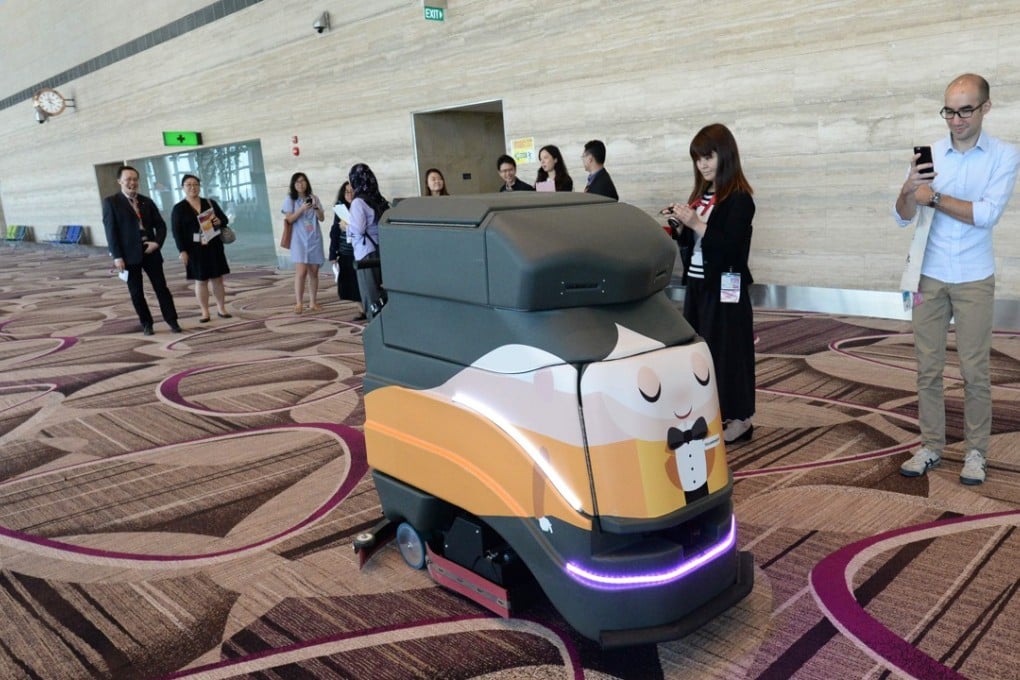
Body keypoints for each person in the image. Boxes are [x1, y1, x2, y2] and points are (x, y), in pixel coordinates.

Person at [894, 73, 1020, 485]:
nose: (957, 119)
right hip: (927, 275)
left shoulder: (1004, 155)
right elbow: (902, 216)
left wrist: (935, 198)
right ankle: (931, 445)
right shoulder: (931, 153)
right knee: (927, 368)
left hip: (973, 277)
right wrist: (908, 189)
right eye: (950, 110)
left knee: (974, 371)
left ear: (985, 107)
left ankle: (976, 452)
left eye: (966, 109)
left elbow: (985, 214)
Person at [667, 123, 756, 444]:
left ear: (726, 155)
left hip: (727, 289)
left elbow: (731, 247)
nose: (702, 164)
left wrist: (697, 224)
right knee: (700, 353)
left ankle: (740, 418)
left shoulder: (740, 199)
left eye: (708, 156)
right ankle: (709, 411)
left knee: (729, 353)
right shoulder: (701, 196)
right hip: (699, 286)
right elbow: (695, 244)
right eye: (697, 159)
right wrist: (682, 227)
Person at [102, 165, 182, 335]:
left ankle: (172, 321)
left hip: (150, 251)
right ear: (120, 182)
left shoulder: (147, 201)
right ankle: (147, 323)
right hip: (129, 255)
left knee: (161, 288)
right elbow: (111, 232)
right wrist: (117, 256)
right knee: (136, 292)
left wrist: (157, 243)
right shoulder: (112, 202)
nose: (132, 182)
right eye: (128, 179)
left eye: (135, 179)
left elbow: (160, 226)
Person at [171, 174, 231, 323]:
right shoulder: (178, 208)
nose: (192, 187)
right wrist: (182, 251)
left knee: (217, 279)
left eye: (195, 184)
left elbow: (224, 219)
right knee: (200, 280)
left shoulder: (210, 203)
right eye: (188, 185)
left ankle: (221, 308)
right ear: (183, 188)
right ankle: (205, 312)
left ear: (199, 186)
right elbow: (176, 232)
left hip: (213, 246)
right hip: (194, 249)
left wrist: (219, 220)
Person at [347, 163, 390, 318]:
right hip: (380, 249)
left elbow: (358, 229)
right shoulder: (377, 198)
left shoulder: (358, 202)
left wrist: (347, 225)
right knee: (383, 293)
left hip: (366, 253)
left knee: (371, 294)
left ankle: (376, 326)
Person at [281, 172, 326, 314]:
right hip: (299, 240)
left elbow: (322, 218)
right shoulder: (290, 200)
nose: (301, 184)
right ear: (294, 185)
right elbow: (289, 219)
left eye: (303, 181)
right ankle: (299, 303)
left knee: (314, 272)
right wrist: (301, 209)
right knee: (301, 272)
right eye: (297, 182)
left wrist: (316, 208)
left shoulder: (314, 198)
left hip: (314, 238)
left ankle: (313, 302)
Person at [328, 180, 364, 320]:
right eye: (346, 192)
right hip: (345, 251)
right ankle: (361, 310)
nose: (349, 194)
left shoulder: (360, 206)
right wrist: (333, 253)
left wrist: (348, 226)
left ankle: (367, 307)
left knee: (361, 281)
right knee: (350, 282)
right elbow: (335, 231)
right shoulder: (340, 208)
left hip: (360, 251)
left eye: (352, 191)